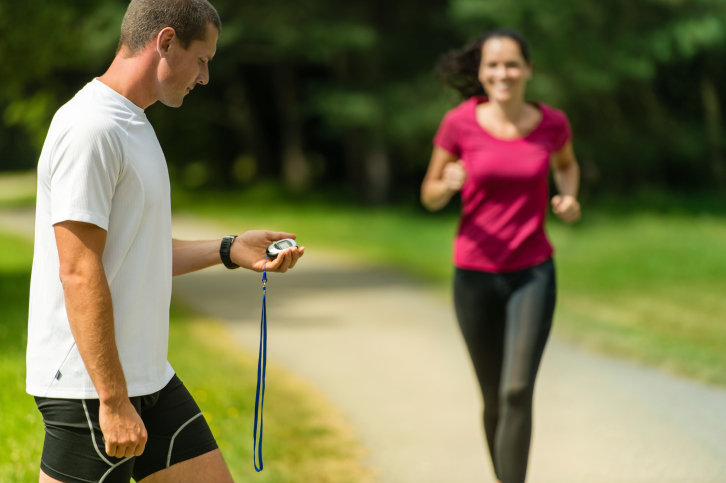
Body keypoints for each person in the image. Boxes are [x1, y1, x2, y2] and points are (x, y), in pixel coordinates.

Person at [26, 1, 305, 482]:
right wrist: (112, 401)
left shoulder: (134, 122)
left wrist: (229, 248)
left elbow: (139, 251)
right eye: (203, 60)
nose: (205, 78)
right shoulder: (91, 128)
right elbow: (78, 270)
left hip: (148, 374)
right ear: (167, 41)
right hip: (89, 387)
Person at [420, 29, 580, 483]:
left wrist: (568, 197)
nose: (502, 73)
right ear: (480, 72)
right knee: (493, 396)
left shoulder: (553, 123)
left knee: (516, 391)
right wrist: (445, 185)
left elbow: (567, 165)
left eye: (512, 64)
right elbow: (428, 194)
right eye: (493, 65)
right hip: (473, 275)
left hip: (533, 273)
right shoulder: (459, 123)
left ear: (528, 70)